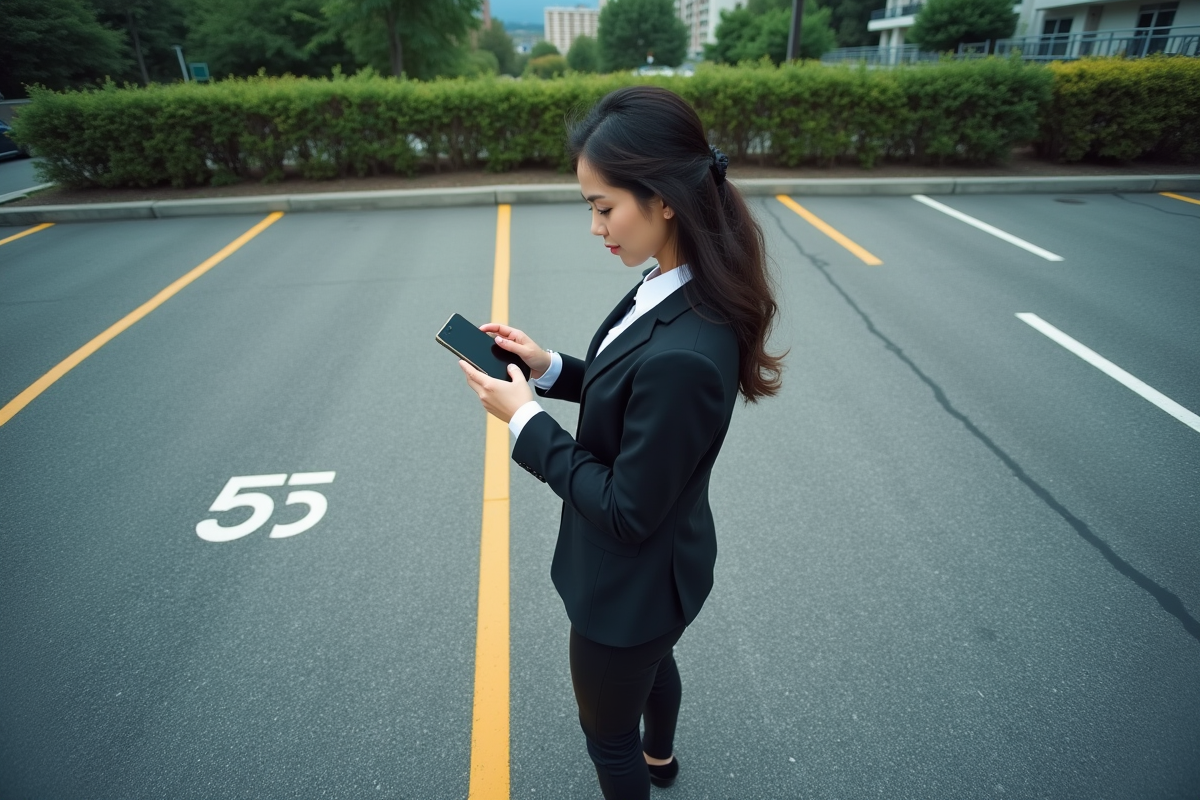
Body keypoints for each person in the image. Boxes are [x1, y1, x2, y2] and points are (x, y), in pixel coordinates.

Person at [458, 85, 784, 800]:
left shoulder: (687, 347)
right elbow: (626, 392)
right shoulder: (674, 284)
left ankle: (648, 763)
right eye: (590, 208)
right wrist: (546, 370)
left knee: (608, 739)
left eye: (604, 207)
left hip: (629, 585)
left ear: (665, 198)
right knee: (652, 667)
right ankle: (661, 759)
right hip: (664, 574)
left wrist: (522, 422)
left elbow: (626, 509)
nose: (595, 226)